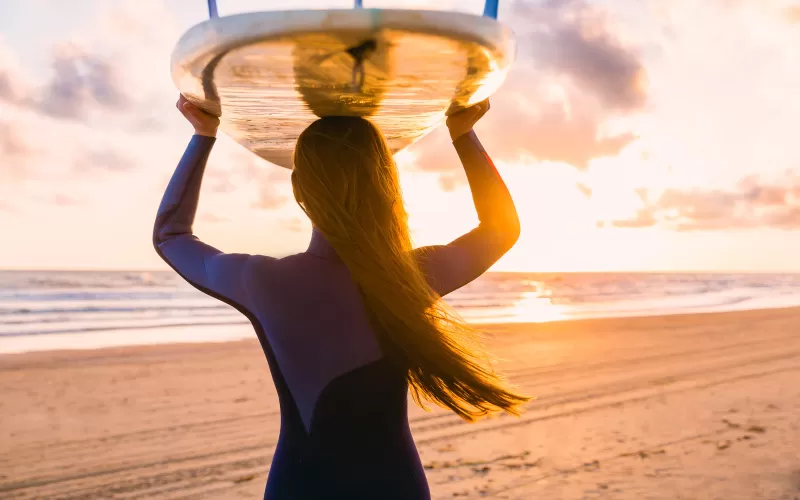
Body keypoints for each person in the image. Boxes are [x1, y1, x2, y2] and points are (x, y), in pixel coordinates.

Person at [154, 94, 528, 500]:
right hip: (395, 485)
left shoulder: (260, 281)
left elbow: (170, 235)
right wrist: (463, 132)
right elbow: (501, 227)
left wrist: (203, 134)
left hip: (299, 487)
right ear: (387, 183)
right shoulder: (409, 277)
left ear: (299, 189)